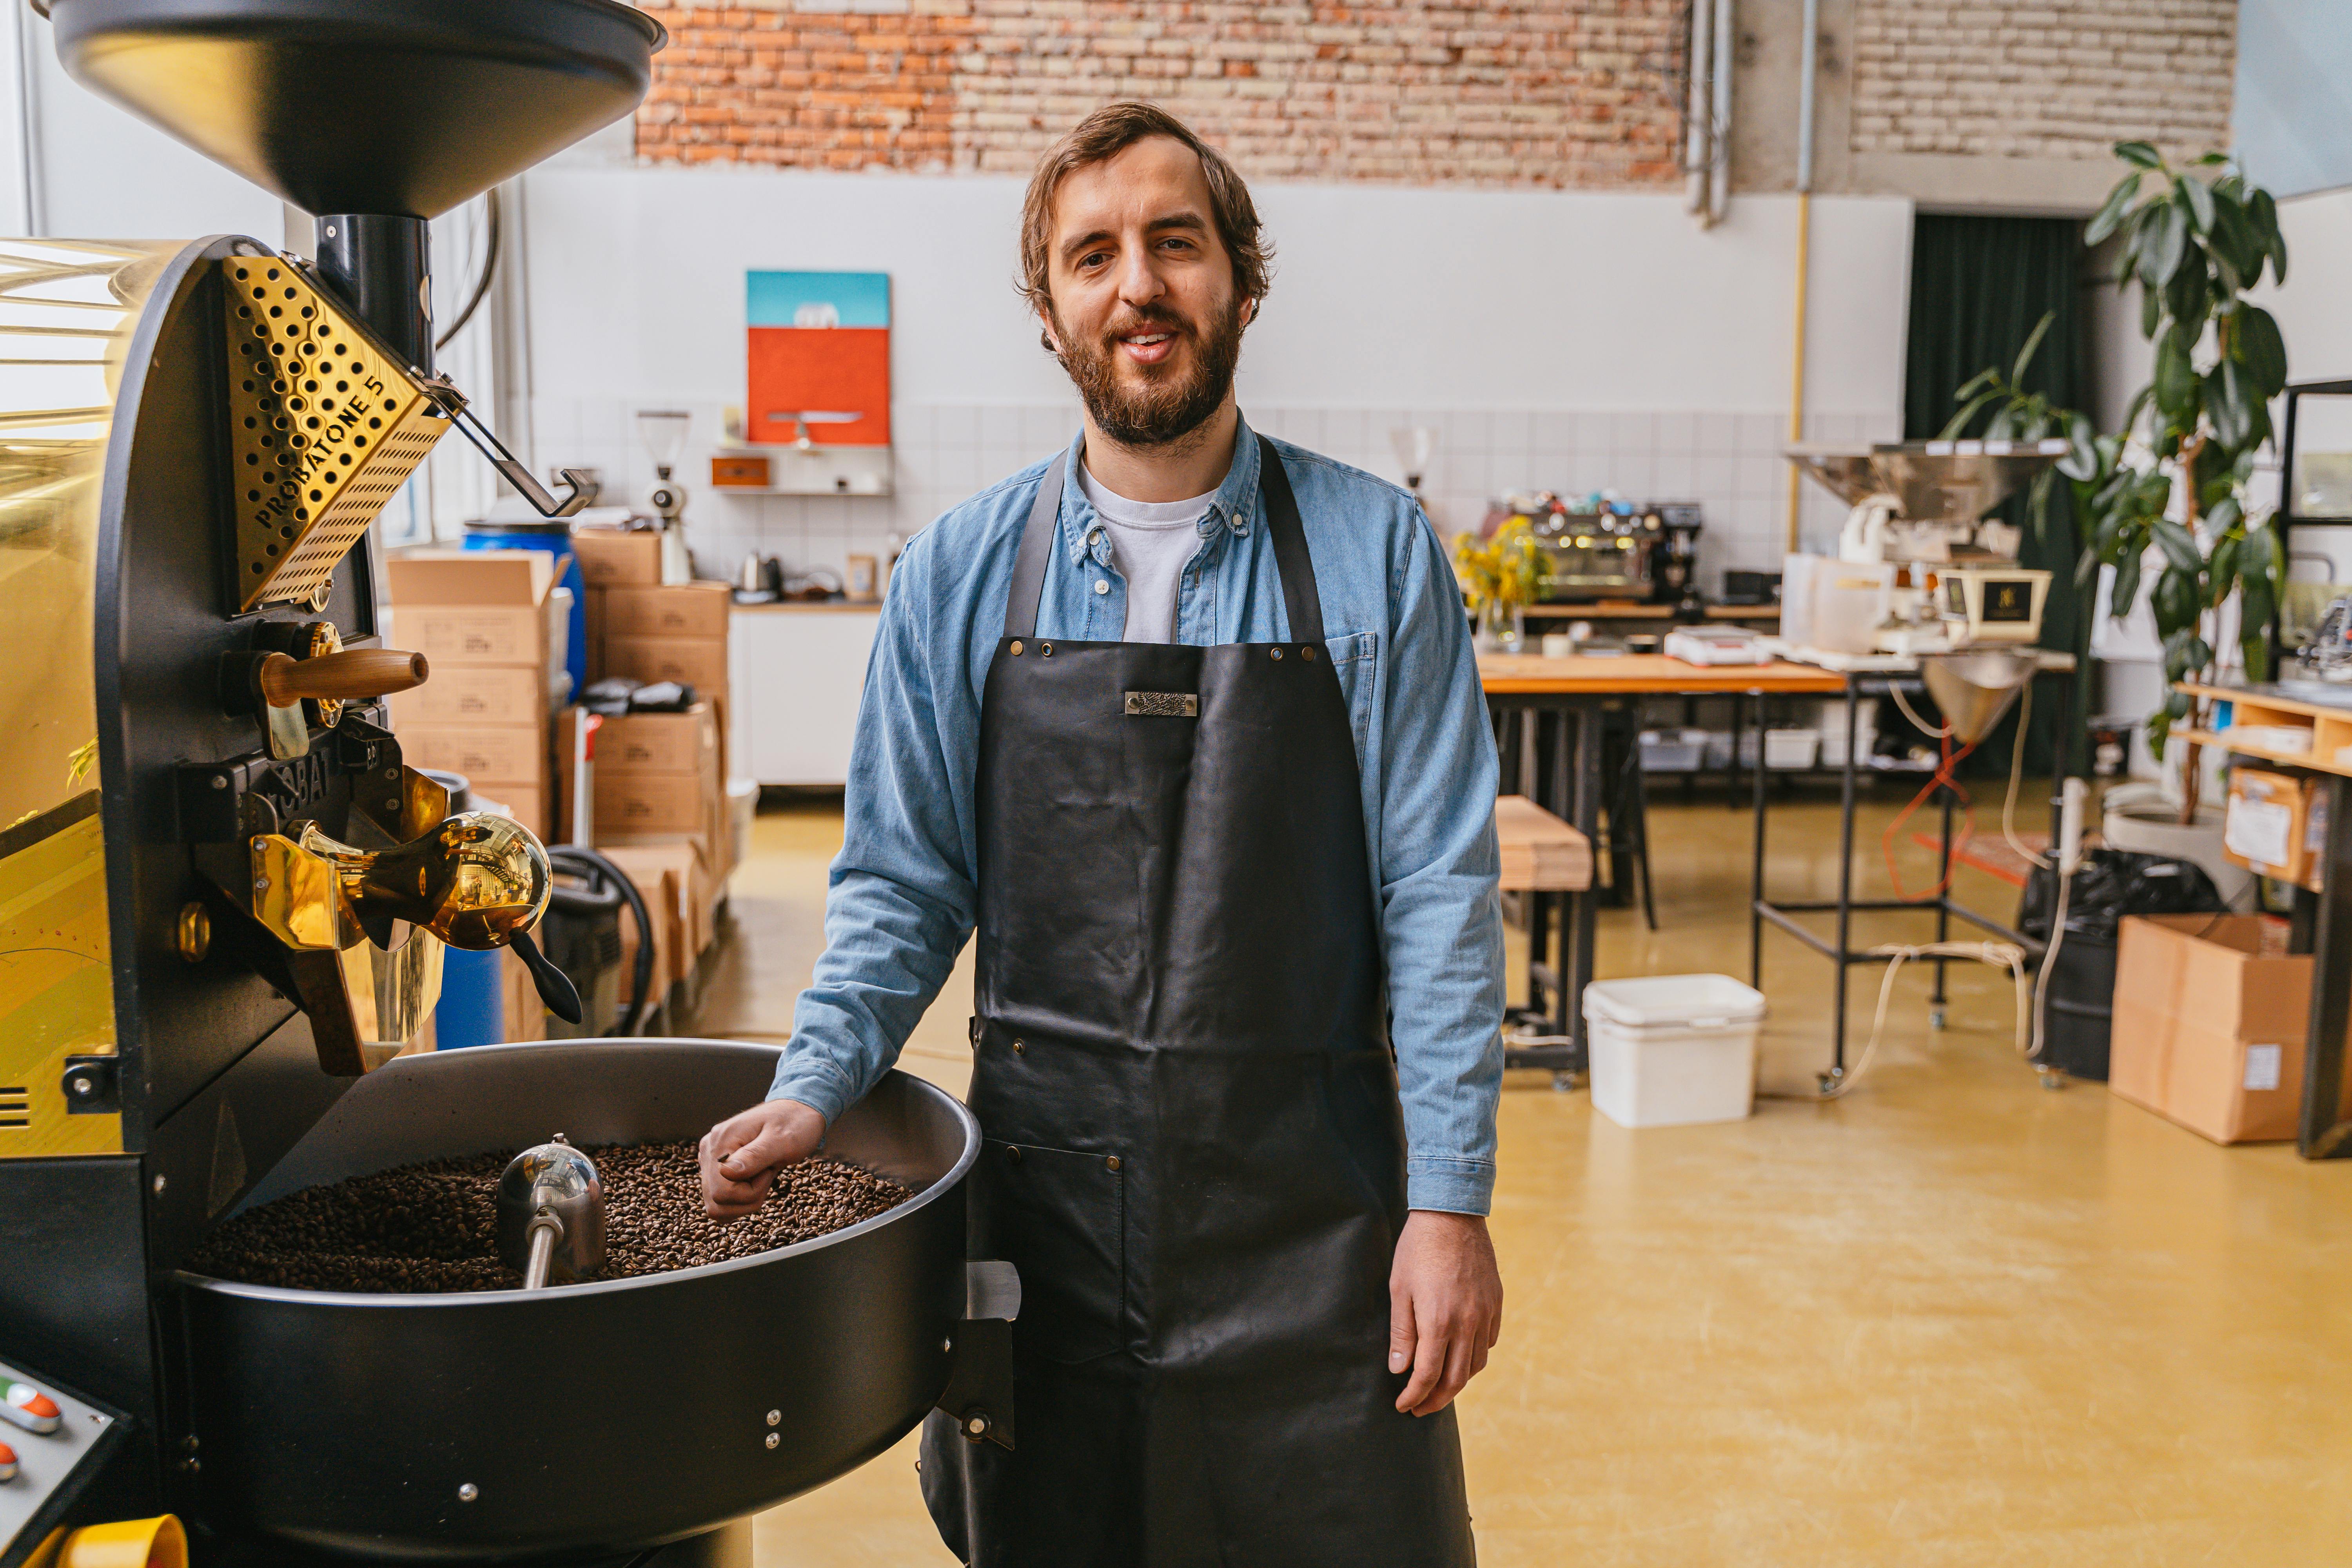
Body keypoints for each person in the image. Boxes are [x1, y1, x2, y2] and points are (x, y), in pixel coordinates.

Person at [697, 101, 1505, 1566]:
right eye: (1092, 255)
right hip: (1051, 1224)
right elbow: (901, 879)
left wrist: (1447, 1205)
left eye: (1175, 243)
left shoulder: (1380, 555)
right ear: (1052, 309)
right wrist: (817, 1083)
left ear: (1240, 281)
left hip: (1318, 1224)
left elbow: (1439, 894)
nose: (1137, 284)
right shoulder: (956, 573)